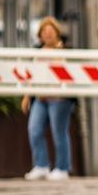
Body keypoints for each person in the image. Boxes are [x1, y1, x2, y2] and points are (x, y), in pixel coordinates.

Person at [22, 17, 74, 181]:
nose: (48, 34)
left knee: (59, 133)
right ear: (40, 35)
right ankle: (41, 165)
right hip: (41, 98)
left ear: (57, 33)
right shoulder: (38, 53)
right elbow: (32, 75)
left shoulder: (65, 51)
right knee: (34, 129)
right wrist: (27, 96)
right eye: (44, 32)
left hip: (59, 99)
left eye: (51, 31)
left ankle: (62, 167)